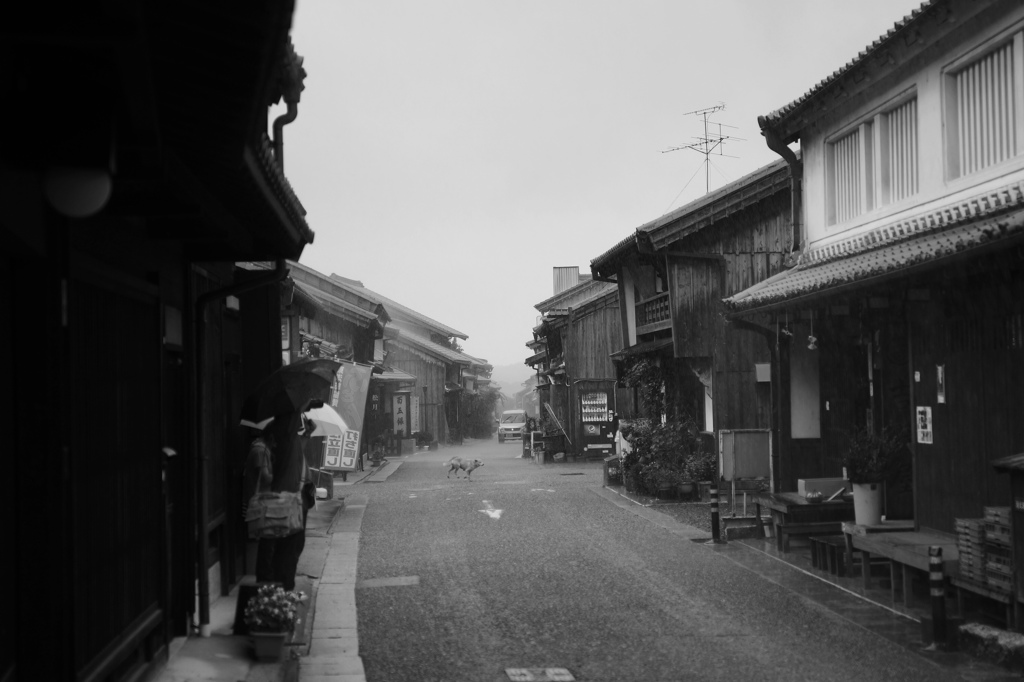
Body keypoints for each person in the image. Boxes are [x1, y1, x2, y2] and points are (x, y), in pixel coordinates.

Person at [250, 411, 312, 591]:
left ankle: (277, 590)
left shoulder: (289, 441)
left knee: (284, 548)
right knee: (277, 549)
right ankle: (275, 591)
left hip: (288, 502)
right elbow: (268, 477)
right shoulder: (269, 447)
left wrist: (307, 434)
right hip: (279, 504)